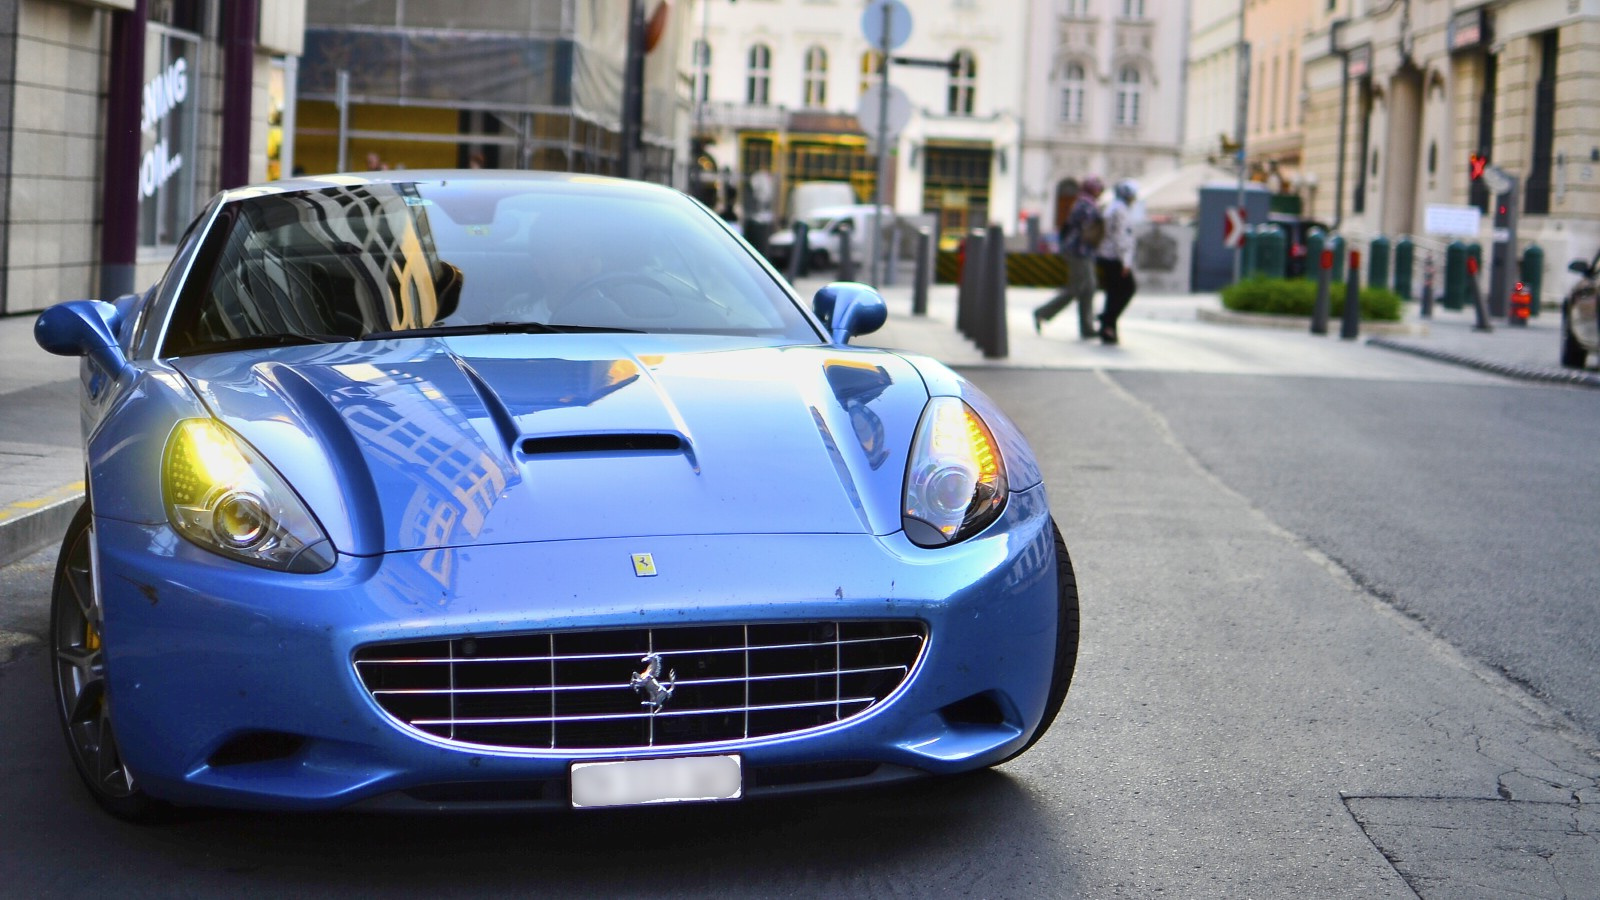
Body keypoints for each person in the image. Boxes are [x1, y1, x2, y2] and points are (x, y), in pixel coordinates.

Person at [1033, 175, 1103, 338]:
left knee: (1089, 288)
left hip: (1084, 251)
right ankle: (1042, 313)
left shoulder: (1086, 203)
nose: (1100, 192)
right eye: (1098, 188)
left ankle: (1086, 327)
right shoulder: (1085, 204)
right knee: (1077, 287)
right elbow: (1088, 226)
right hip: (1079, 251)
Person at [1093, 179, 1139, 345]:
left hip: (1107, 256)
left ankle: (1108, 328)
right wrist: (1126, 262)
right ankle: (1106, 319)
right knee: (1128, 289)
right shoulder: (1120, 210)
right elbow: (1121, 238)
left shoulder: (1113, 207)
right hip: (1114, 258)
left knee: (1113, 293)